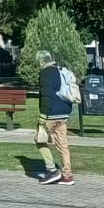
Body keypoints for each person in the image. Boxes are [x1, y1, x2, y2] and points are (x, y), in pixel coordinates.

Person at [35, 50, 77, 186]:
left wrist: (42, 115)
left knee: (40, 140)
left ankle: (52, 170)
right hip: (64, 111)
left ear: (41, 61)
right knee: (63, 145)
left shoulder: (45, 73)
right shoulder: (60, 70)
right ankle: (67, 175)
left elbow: (46, 95)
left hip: (51, 113)